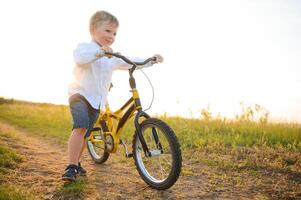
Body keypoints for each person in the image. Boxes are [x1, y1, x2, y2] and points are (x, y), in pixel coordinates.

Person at [62, 10, 163, 181]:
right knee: (80, 127)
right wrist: (99, 52)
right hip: (79, 94)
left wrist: (150, 60)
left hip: (97, 100)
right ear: (93, 30)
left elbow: (132, 60)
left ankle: (77, 163)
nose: (111, 36)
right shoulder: (85, 47)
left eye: (114, 33)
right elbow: (80, 58)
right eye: (107, 31)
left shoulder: (112, 56)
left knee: (86, 133)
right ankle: (71, 166)